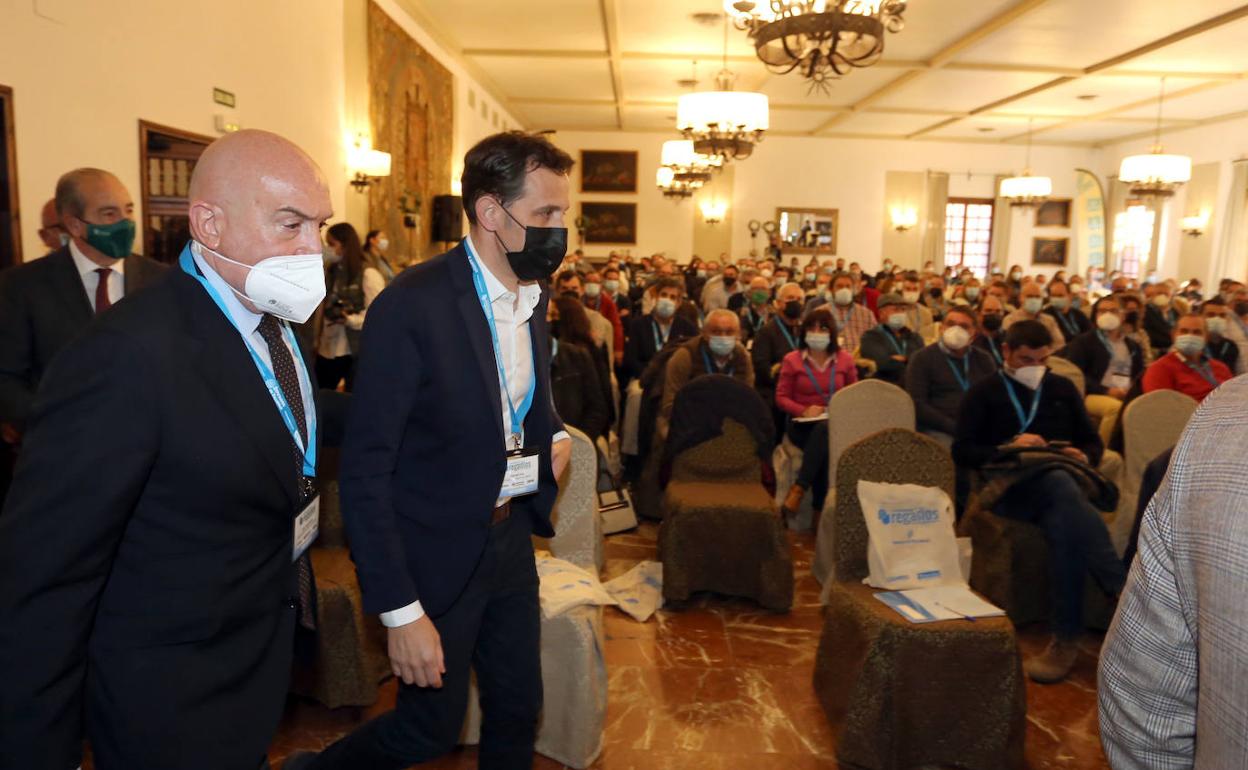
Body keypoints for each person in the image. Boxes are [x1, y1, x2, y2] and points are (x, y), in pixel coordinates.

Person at [0, 130, 332, 769]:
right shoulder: (124, 355)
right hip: (169, 691)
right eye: (290, 224)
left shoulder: (276, 312)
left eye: (319, 225)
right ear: (209, 223)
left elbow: (276, 419)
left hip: (255, 653)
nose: (311, 249)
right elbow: (46, 575)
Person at [286, 132, 574, 770]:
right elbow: (364, 472)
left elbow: (525, 397)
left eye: (564, 214)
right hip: (433, 552)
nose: (561, 230)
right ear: (491, 213)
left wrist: (551, 433)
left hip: (508, 538)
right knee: (425, 731)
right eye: (546, 215)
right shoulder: (412, 306)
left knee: (517, 706)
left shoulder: (533, 293)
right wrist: (399, 610)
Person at [953, 320, 1125, 684]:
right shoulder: (984, 391)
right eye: (1026, 359)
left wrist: (1084, 454)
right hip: (1009, 489)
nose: (1035, 367)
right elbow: (963, 450)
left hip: (1058, 485)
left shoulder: (1060, 388)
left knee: (1065, 520)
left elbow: (1092, 441)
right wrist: (1010, 447)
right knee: (1064, 493)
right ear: (1007, 353)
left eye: (1042, 359)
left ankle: (1065, 640)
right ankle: (1121, 589)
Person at [1097, 376, 1248, 768]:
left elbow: (1144, 705)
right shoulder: (1170, 372)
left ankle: (1126, 579)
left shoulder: (1224, 394)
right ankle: (1125, 573)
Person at [0, 168, 166, 427]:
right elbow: (7, 378)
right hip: (62, 449)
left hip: (152, 448)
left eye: (129, 210)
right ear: (74, 224)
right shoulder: (22, 285)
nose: (126, 223)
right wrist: (53, 426)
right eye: (109, 214)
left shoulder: (160, 279)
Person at [775, 307, 857, 520]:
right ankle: (819, 515)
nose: (817, 332)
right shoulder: (792, 360)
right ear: (804, 332)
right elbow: (781, 397)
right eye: (811, 327)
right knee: (823, 436)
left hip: (836, 422)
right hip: (801, 425)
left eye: (822, 328)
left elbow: (853, 395)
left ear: (831, 332)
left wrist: (835, 410)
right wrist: (803, 410)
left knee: (825, 434)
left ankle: (799, 490)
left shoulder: (845, 360)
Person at [904, 306, 995, 448]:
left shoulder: (983, 359)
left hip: (977, 426)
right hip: (939, 428)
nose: (956, 330)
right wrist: (953, 427)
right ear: (941, 328)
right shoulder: (922, 358)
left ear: (974, 334)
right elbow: (917, 404)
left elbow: (993, 398)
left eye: (964, 326)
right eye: (951, 324)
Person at [1062, 295, 1144, 446]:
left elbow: (1139, 375)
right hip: (1092, 394)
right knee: (1115, 409)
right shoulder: (1084, 342)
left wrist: (1131, 391)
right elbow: (1076, 375)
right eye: (1102, 311)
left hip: (1125, 393)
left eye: (1113, 311)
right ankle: (1101, 451)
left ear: (1123, 315)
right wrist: (1106, 391)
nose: (1107, 315)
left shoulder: (1132, 345)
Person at [659, 309, 753, 438]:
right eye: (716, 331)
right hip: (688, 422)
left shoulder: (743, 357)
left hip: (731, 422)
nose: (723, 336)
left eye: (729, 332)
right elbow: (670, 404)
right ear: (704, 333)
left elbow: (749, 399)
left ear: (739, 335)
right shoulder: (684, 356)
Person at [316, 223, 378, 391]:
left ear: (345, 245)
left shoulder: (367, 273)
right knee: (321, 392)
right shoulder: (332, 270)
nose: (328, 249)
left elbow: (377, 315)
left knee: (353, 397)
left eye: (332, 244)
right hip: (328, 344)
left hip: (353, 346)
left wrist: (350, 319)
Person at [552, 295, 614, 430]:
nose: (550, 320)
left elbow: (598, 404)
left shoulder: (579, 354)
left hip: (581, 432)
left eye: (554, 315)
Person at [621, 276, 697, 387]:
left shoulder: (687, 327)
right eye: (664, 295)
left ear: (679, 302)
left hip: (676, 380)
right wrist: (649, 377)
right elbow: (631, 359)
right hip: (643, 378)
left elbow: (692, 359)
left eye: (673, 297)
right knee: (635, 394)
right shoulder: (638, 324)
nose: (667, 300)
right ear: (656, 297)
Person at [1141, 313, 1233, 403]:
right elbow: (1161, 409)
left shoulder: (1221, 368)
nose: (1190, 336)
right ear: (1173, 335)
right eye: (1184, 331)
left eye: (1197, 332)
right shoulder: (1159, 369)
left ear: (1206, 337)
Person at [751, 282, 806, 420]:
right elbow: (763, 369)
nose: (795, 302)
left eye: (799, 299)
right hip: (774, 393)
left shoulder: (805, 330)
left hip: (804, 390)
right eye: (790, 298)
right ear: (779, 303)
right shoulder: (766, 332)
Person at [859, 293, 923, 385]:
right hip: (885, 387)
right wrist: (908, 360)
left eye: (903, 310)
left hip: (914, 385)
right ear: (881, 313)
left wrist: (902, 359)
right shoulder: (871, 337)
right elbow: (883, 364)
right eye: (896, 309)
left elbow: (922, 362)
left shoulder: (914, 337)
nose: (900, 313)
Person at [581, 267, 625, 364]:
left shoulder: (608, 302)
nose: (592, 284)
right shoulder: (578, 301)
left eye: (596, 282)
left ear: (601, 285)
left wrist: (618, 349)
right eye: (589, 281)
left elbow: (616, 325)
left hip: (602, 343)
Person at [825, 272, 877, 353]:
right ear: (831, 289)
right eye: (839, 286)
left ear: (853, 290)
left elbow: (874, 340)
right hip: (831, 359)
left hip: (858, 361)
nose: (844, 290)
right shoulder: (821, 312)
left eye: (848, 286)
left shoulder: (866, 314)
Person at [1004, 281, 1066, 348]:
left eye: (1037, 297)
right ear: (1020, 298)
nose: (1033, 300)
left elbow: (1059, 344)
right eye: (1029, 296)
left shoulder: (1049, 320)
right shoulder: (1011, 320)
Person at [1202, 296, 1240, 372]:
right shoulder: (1195, 344)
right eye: (1211, 315)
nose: (1217, 319)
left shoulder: (1231, 346)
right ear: (1200, 316)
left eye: (1222, 316)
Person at [900, 271, 936, 342]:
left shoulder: (926, 312)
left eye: (915, 289)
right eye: (908, 289)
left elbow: (930, 337)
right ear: (902, 290)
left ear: (919, 291)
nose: (911, 292)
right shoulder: (895, 311)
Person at [973, 294, 1007, 369]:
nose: (993, 314)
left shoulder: (1010, 338)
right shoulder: (972, 341)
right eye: (988, 311)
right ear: (978, 314)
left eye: (998, 311)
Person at [739, 275, 773, 342]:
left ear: (769, 293)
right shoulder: (740, 313)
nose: (759, 292)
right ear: (749, 292)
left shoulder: (776, 314)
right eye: (755, 288)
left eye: (763, 288)